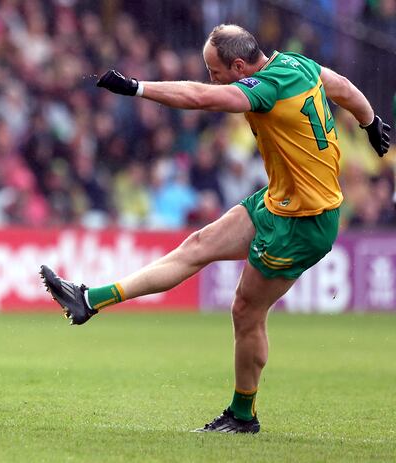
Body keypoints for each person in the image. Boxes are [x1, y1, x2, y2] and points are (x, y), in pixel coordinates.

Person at [40, 24, 391, 434]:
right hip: (279, 200)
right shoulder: (298, 64)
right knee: (198, 245)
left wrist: (138, 88)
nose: (212, 78)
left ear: (239, 66)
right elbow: (345, 88)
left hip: (302, 223)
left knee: (246, 310)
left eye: (215, 70)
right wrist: (371, 123)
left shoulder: (262, 88)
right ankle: (89, 299)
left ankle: (243, 415)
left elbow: (199, 97)